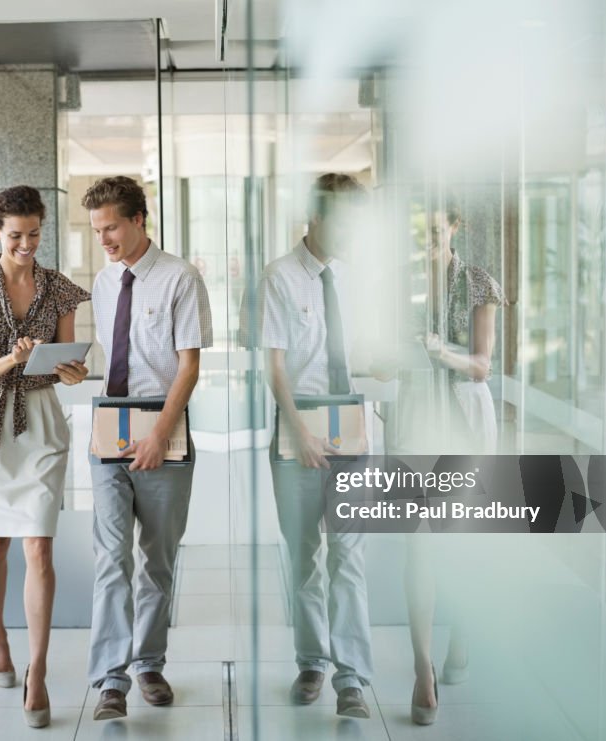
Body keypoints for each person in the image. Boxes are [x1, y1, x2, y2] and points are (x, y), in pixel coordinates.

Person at [0, 185, 90, 728]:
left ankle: (39, 670)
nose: (25, 244)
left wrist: (71, 371)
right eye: (15, 235)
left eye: (33, 234)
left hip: (42, 424)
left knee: (38, 548)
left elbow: (65, 364)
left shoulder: (59, 289)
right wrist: (12, 356)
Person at [83, 176, 212, 720]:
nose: (104, 239)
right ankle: (111, 679)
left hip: (165, 431)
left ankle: (149, 664)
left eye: (111, 226)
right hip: (110, 430)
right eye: (97, 230)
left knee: (156, 559)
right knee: (111, 557)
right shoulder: (104, 279)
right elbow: (111, 355)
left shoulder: (180, 277)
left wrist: (160, 432)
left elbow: (190, 364)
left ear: (139, 219)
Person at [259, 173, 374, 718]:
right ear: (317, 218)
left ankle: (351, 676)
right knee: (304, 554)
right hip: (297, 430)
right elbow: (274, 363)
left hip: (352, 431)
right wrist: (299, 432)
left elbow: (364, 353)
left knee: (349, 555)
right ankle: (312, 662)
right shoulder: (280, 276)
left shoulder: (358, 276)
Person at [406, 202, 503, 725]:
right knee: (418, 544)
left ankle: (462, 634)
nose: (425, 238)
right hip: (418, 417)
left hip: (465, 416)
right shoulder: (401, 286)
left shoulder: (478, 282)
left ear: (455, 227)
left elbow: (482, 367)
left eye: (434, 228)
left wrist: (440, 353)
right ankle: (423, 672)